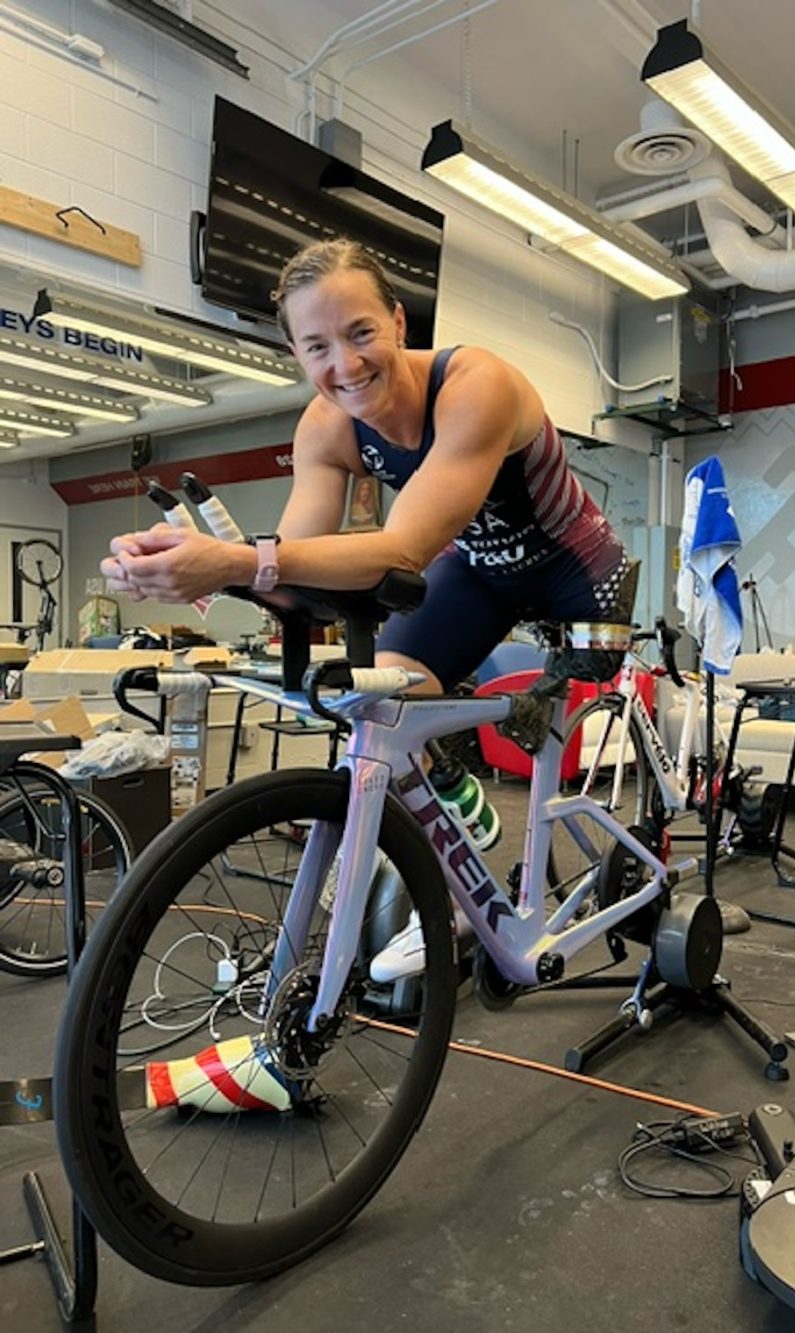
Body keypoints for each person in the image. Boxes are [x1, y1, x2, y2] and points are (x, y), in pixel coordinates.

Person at [102, 236, 632, 974]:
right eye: (317, 346)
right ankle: (457, 864)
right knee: (382, 698)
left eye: (360, 333)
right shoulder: (326, 426)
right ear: (296, 354)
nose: (346, 366)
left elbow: (402, 549)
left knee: (568, 703)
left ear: (398, 323)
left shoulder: (477, 383)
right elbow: (293, 570)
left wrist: (240, 560)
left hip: (574, 566)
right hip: (480, 570)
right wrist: (192, 567)